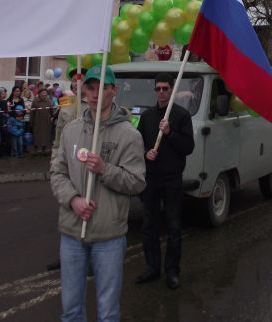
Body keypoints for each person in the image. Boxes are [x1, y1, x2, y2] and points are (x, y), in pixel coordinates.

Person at [50, 65, 146, 322]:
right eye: (90, 88)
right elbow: (57, 173)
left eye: (102, 88)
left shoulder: (129, 135)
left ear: (114, 90)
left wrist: (105, 169)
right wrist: (73, 200)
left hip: (108, 235)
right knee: (71, 310)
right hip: (72, 231)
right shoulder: (72, 129)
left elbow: (137, 182)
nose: (95, 94)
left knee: (108, 312)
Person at [136, 73, 195, 289]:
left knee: (173, 226)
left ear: (171, 90)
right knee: (149, 225)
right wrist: (146, 153)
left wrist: (170, 133)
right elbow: (137, 144)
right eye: (158, 89)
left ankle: (172, 271)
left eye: (165, 89)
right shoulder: (147, 116)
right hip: (151, 178)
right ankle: (153, 267)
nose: (161, 92)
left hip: (172, 178)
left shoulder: (181, 115)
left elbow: (188, 147)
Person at [30, 88, 53, 155]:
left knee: (46, 135)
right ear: (39, 94)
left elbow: (51, 111)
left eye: (46, 93)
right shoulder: (35, 101)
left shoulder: (48, 101)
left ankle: (46, 148)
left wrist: (52, 117)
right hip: (38, 121)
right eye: (43, 93)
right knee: (38, 135)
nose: (45, 95)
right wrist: (31, 122)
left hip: (46, 121)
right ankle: (38, 148)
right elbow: (32, 112)